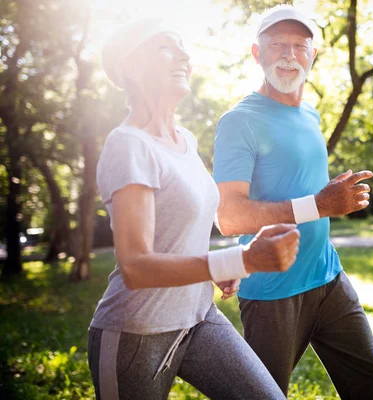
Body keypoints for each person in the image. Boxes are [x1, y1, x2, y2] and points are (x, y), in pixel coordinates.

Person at [88, 18, 300, 400]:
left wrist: (218, 267)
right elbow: (136, 266)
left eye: (184, 46)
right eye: (166, 46)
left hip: (200, 318)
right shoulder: (128, 145)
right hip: (136, 333)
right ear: (131, 67)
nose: (184, 55)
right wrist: (239, 260)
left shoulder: (184, 139)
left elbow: (177, 236)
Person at [213, 5, 373, 399]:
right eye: (277, 45)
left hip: (328, 278)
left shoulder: (310, 114)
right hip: (272, 294)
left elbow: (293, 184)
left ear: (312, 55)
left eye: (299, 46)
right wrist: (320, 204)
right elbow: (228, 216)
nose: (288, 55)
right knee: (265, 395)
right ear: (256, 54)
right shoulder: (238, 122)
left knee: (372, 384)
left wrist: (329, 196)